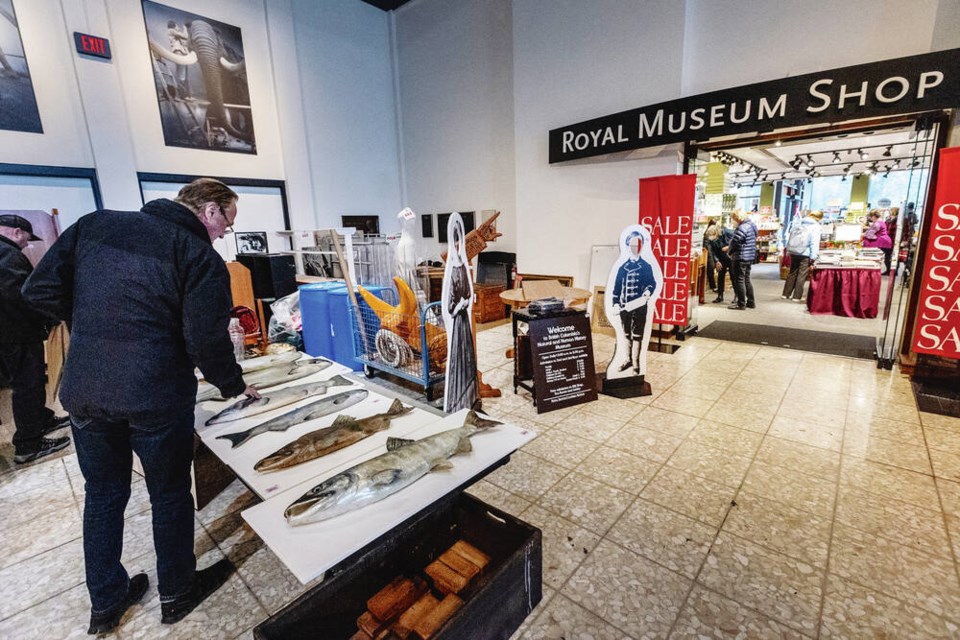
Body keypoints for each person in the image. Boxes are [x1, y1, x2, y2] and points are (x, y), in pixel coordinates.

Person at [22, 179, 261, 634]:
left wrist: (93, 324)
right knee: (168, 494)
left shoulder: (95, 226)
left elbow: (38, 292)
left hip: (87, 391)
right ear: (209, 211)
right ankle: (177, 592)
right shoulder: (197, 256)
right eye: (228, 222)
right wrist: (233, 386)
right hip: (155, 393)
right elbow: (205, 340)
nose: (226, 233)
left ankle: (106, 602)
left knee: (103, 496)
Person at [0, 214, 71, 463]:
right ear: (18, 232)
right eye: (27, 239)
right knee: (27, 384)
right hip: (16, 333)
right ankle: (28, 444)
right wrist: (51, 315)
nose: (27, 245)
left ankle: (41, 420)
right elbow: (24, 295)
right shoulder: (7, 254)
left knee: (28, 383)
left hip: (10, 333)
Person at [441, 213, 479, 413]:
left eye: (460, 238)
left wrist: (466, 300)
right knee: (459, 358)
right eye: (456, 238)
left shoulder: (463, 264)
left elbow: (468, 292)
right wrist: (461, 304)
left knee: (468, 357)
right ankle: (457, 402)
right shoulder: (452, 269)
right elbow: (449, 306)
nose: (458, 243)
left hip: (464, 322)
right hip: (458, 322)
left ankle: (471, 397)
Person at [612, 230, 657, 373]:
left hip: (639, 306)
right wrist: (615, 302)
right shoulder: (622, 267)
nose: (635, 248)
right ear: (628, 246)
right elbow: (617, 287)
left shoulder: (646, 266)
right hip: (625, 306)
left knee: (637, 334)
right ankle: (627, 359)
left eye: (638, 245)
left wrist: (648, 291)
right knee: (626, 333)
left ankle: (636, 364)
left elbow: (652, 283)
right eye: (632, 245)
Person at [781, 210, 823, 302]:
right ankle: (796, 296)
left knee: (792, 273)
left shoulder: (799, 222)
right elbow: (814, 243)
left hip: (794, 251)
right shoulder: (815, 227)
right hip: (805, 253)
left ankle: (785, 294)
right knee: (802, 275)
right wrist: (813, 257)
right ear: (819, 218)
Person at [727, 210, 757, 310]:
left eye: (733, 219)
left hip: (740, 256)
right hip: (748, 256)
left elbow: (735, 241)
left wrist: (729, 251)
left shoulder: (742, 227)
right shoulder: (752, 225)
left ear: (737, 218)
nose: (733, 221)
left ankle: (741, 303)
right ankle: (751, 302)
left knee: (739, 280)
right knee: (746, 279)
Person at [710, 223, 734, 304]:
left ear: (716, 233)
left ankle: (737, 296)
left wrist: (728, 247)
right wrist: (716, 261)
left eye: (712, 235)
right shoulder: (712, 240)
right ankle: (720, 296)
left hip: (731, 257)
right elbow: (713, 251)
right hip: (721, 259)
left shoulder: (728, 232)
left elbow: (737, 241)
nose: (711, 237)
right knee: (720, 276)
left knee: (733, 277)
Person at [703, 219, 719, 292]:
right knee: (710, 270)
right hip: (710, 254)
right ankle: (713, 286)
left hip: (711, 254)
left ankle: (713, 286)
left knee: (711, 270)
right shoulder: (708, 234)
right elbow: (708, 247)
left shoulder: (708, 232)